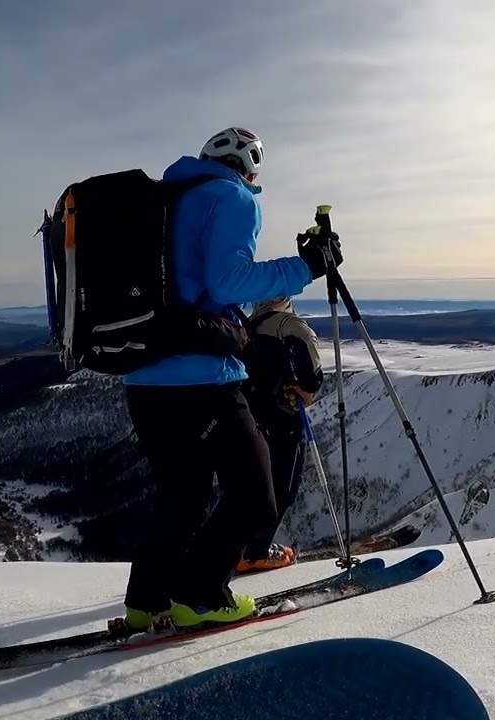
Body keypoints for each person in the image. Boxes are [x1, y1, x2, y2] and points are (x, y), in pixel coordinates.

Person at [120, 127, 342, 630]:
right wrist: (306, 266)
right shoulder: (232, 197)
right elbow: (228, 282)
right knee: (256, 496)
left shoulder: (167, 200)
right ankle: (199, 596)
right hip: (202, 378)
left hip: (143, 376)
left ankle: (146, 602)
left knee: (184, 494)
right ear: (249, 168)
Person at [236, 294, 324, 574]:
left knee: (251, 484)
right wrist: (308, 387)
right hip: (283, 418)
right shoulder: (286, 324)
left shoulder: (246, 325)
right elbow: (309, 354)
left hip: (249, 416)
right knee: (282, 487)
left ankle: (237, 548)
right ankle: (254, 552)